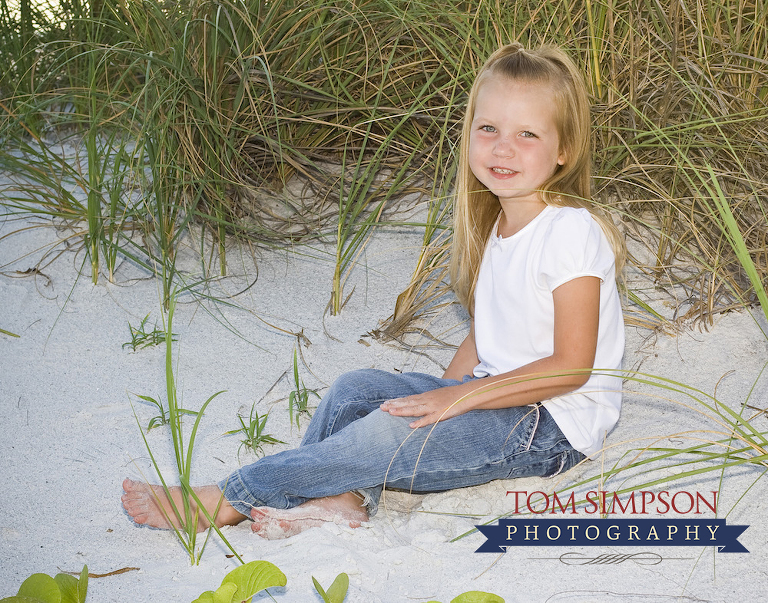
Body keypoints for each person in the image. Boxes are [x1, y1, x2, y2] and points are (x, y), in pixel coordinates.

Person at [122, 42, 625, 539]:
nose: (502, 147)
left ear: (564, 150)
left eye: (527, 134)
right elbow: (487, 337)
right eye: (488, 128)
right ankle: (341, 498)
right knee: (354, 391)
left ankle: (229, 496)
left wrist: (457, 402)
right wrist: (441, 395)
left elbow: (572, 365)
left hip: (551, 428)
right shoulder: (498, 225)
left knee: (386, 431)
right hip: (498, 400)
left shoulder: (570, 229)